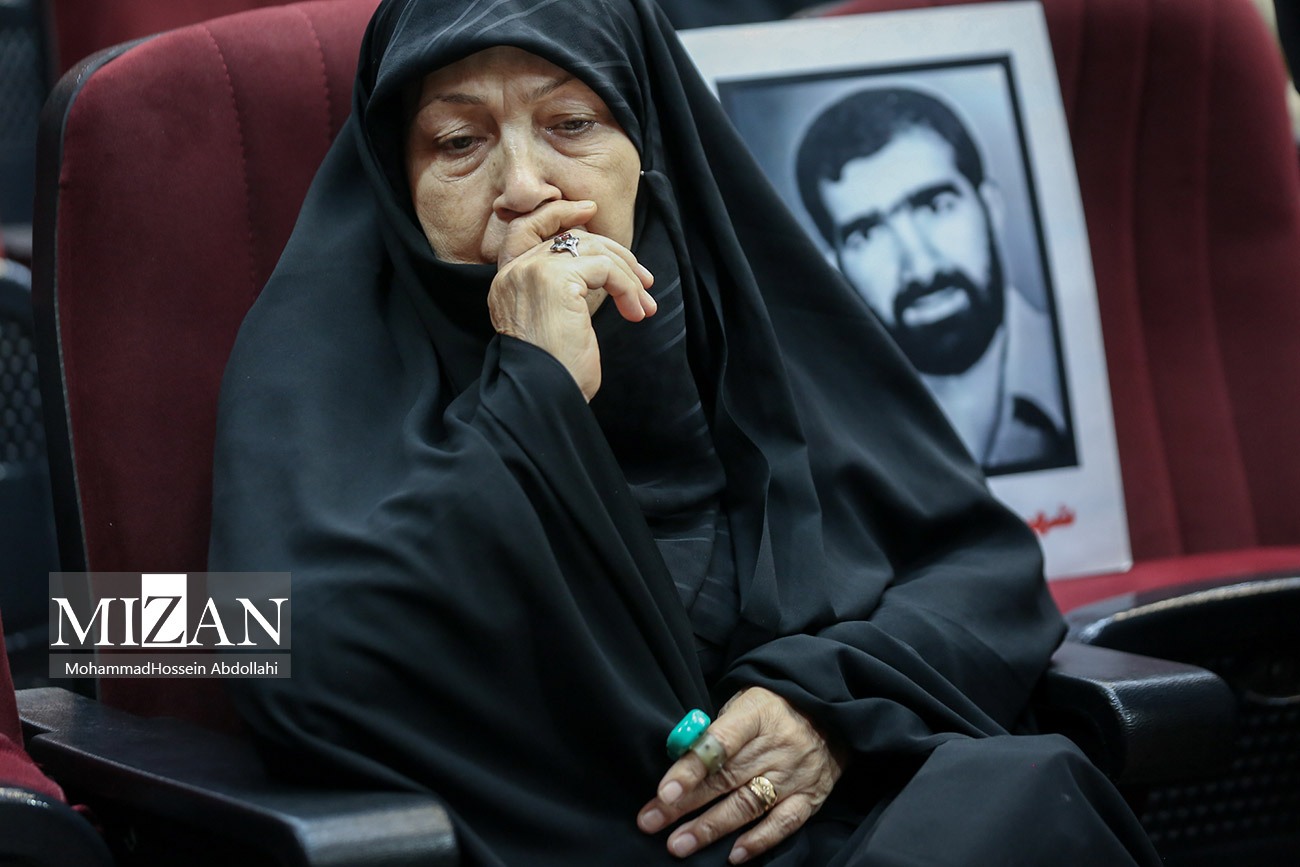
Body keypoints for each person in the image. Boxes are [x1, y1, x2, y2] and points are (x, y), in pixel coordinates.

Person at [208, 0, 1158, 863]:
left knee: (1021, 796)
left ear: (648, 142)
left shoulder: (748, 329)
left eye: (573, 123)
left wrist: (823, 703)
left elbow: (987, 568)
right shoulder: (308, 358)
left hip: (845, 824)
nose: (524, 187)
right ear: (397, 178)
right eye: (458, 141)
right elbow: (182, 638)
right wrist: (534, 392)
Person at [795, 87, 1073, 474]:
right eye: (868, 234)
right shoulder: (816, 430)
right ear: (836, 267)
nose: (920, 267)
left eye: (936, 207)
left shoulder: (1096, 370)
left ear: (991, 208)